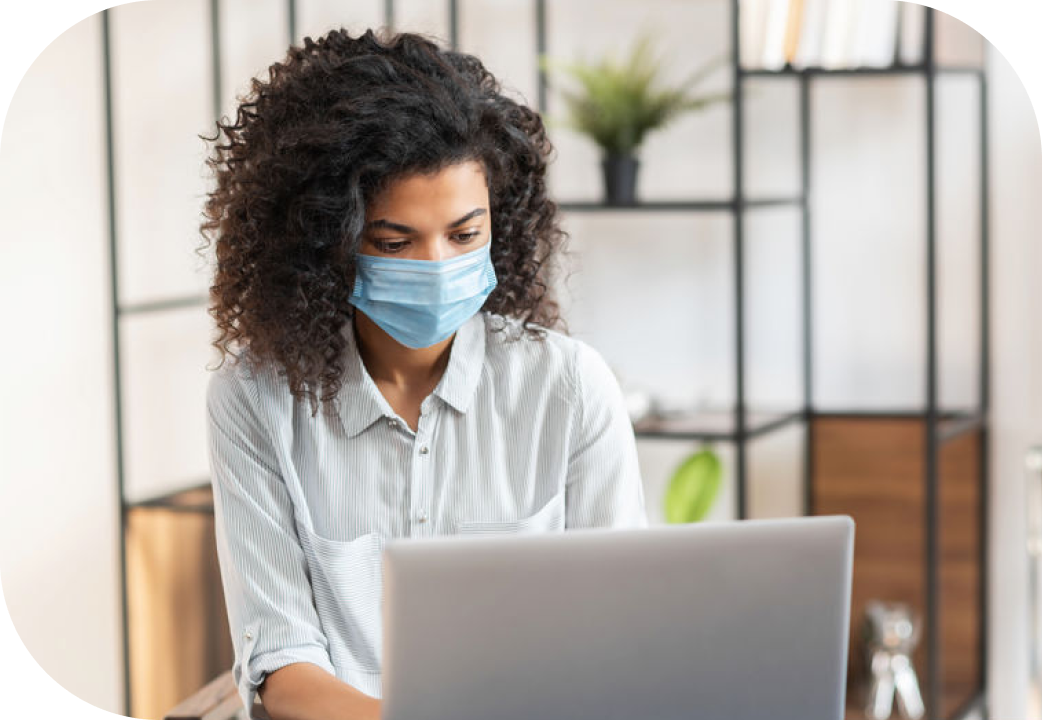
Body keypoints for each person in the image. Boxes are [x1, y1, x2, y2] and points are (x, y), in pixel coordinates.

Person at [198, 25, 648, 720]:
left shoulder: (569, 388)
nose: (438, 266)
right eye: (393, 241)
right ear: (330, 242)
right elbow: (283, 667)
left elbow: (626, 638)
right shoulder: (253, 401)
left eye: (465, 234)